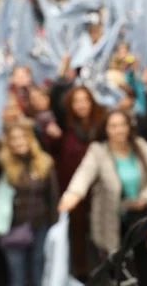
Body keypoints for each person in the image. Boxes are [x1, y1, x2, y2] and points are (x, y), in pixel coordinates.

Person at [58, 110, 147, 286]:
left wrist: (144, 198)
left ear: (129, 127)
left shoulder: (142, 147)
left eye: (123, 125)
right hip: (111, 221)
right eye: (113, 126)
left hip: (139, 218)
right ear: (106, 129)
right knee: (116, 269)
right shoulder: (98, 152)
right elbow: (83, 175)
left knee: (144, 265)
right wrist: (72, 194)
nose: (119, 130)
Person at [47, 85, 105, 280]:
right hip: (73, 191)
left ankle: (105, 269)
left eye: (85, 100)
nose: (81, 105)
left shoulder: (102, 126)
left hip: (99, 190)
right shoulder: (65, 128)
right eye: (76, 101)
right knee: (78, 233)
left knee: (101, 231)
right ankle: (82, 273)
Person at [0, 122, 59, 286]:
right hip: (13, 227)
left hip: (41, 225)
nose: (18, 142)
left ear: (30, 139)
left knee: (39, 272)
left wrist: (55, 226)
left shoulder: (44, 162)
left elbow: (52, 196)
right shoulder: (2, 163)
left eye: (22, 137)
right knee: (17, 276)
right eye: (14, 138)